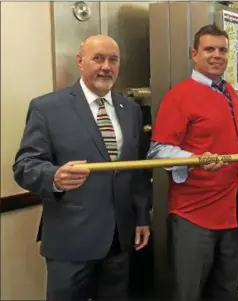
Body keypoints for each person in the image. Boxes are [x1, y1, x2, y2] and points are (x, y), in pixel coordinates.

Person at [13, 35, 151, 301]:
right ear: (80, 61)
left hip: (119, 241)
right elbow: (24, 166)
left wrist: (142, 216)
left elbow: (138, 171)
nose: (106, 67)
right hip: (70, 241)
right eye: (98, 58)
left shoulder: (130, 110)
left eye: (113, 60)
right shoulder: (47, 107)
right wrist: (54, 176)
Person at [147, 24, 238, 301]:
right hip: (194, 214)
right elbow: (157, 151)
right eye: (209, 49)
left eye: (223, 50)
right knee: (189, 293)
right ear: (194, 54)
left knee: (226, 291)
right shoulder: (180, 96)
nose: (217, 55)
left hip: (232, 214)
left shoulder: (230, 93)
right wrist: (194, 160)